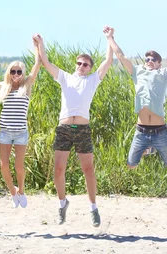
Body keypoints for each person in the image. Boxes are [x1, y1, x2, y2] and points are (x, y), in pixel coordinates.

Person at [34, 27, 113, 226]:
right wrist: (40, 44)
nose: (81, 66)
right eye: (79, 63)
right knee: (59, 170)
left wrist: (109, 38)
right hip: (64, 129)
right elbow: (46, 62)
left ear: (89, 67)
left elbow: (108, 61)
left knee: (88, 170)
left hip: (83, 130)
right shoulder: (65, 77)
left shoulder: (93, 80)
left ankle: (93, 207)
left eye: (85, 64)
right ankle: (62, 204)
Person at [107, 28, 167, 170]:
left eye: (153, 59)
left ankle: (155, 148)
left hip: (160, 131)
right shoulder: (137, 72)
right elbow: (120, 56)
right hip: (141, 130)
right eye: (147, 59)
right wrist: (110, 37)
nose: (150, 61)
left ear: (159, 64)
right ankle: (149, 149)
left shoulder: (164, 74)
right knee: (131, 165)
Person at [0, 37, 40, 208]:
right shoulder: (4, 86)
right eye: (13, 71)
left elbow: (37, 65)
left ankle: (22, 190)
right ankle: (12, 191)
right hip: (5, 131)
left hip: (21, 132)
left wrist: (37, 46)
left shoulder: (27, 86)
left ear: (23, 73)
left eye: (19, 72)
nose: (16, 74)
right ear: (9, 73)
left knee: (19, 167)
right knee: (3, 166)